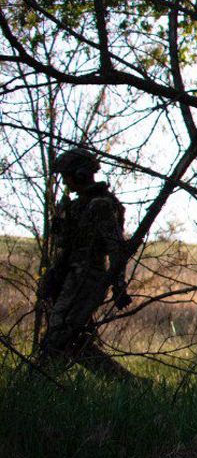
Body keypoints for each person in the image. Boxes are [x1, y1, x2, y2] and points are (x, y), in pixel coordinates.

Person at [35, 147, 133, 380]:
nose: (65, 182)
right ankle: (127, 383)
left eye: (66, 175)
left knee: (59, 335)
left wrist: (118, 284)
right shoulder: (79, 204)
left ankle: (38, 382)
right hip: (71, 278)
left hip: (85, 279)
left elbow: (115, 247)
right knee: (75, 342)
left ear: (79, 174)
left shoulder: (100, 205)